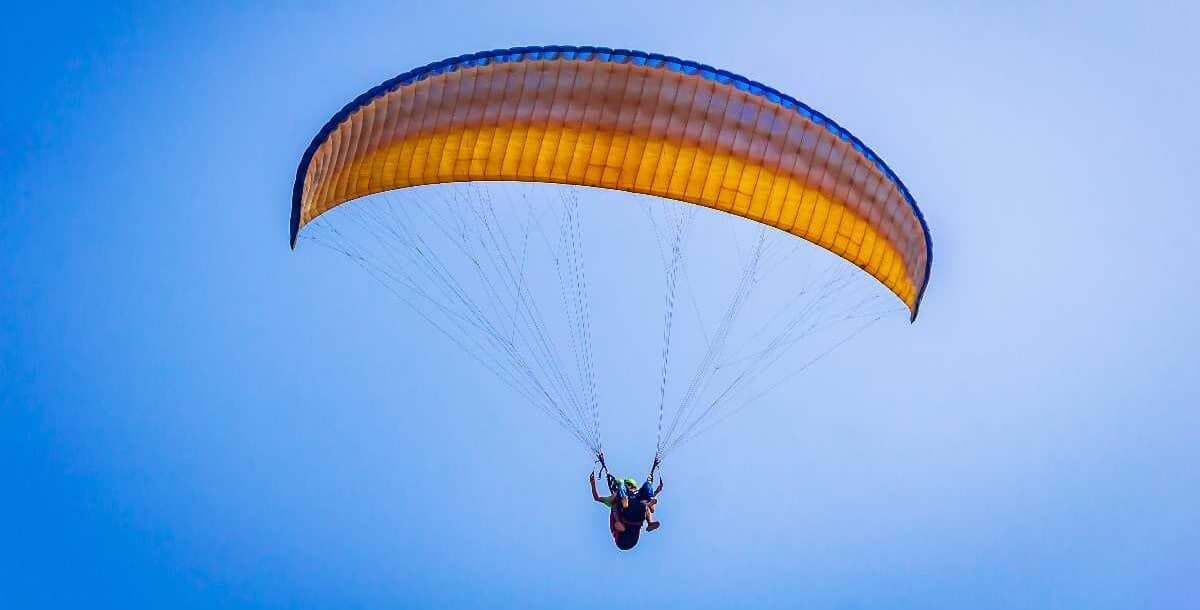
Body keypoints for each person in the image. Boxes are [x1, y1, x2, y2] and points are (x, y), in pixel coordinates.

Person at [589, 460, 664, 550]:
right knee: (616, 503)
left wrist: (656, 491)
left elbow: (649, 504)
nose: (630, 488)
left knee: (647, 486)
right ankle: (622, 514)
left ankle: (650, 521)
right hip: (622, 537)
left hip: (633, 531)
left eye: (631, 487)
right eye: (628, 486)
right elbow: (597, 498)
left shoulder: (637, 496)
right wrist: (593, 484)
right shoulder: (617, 495)